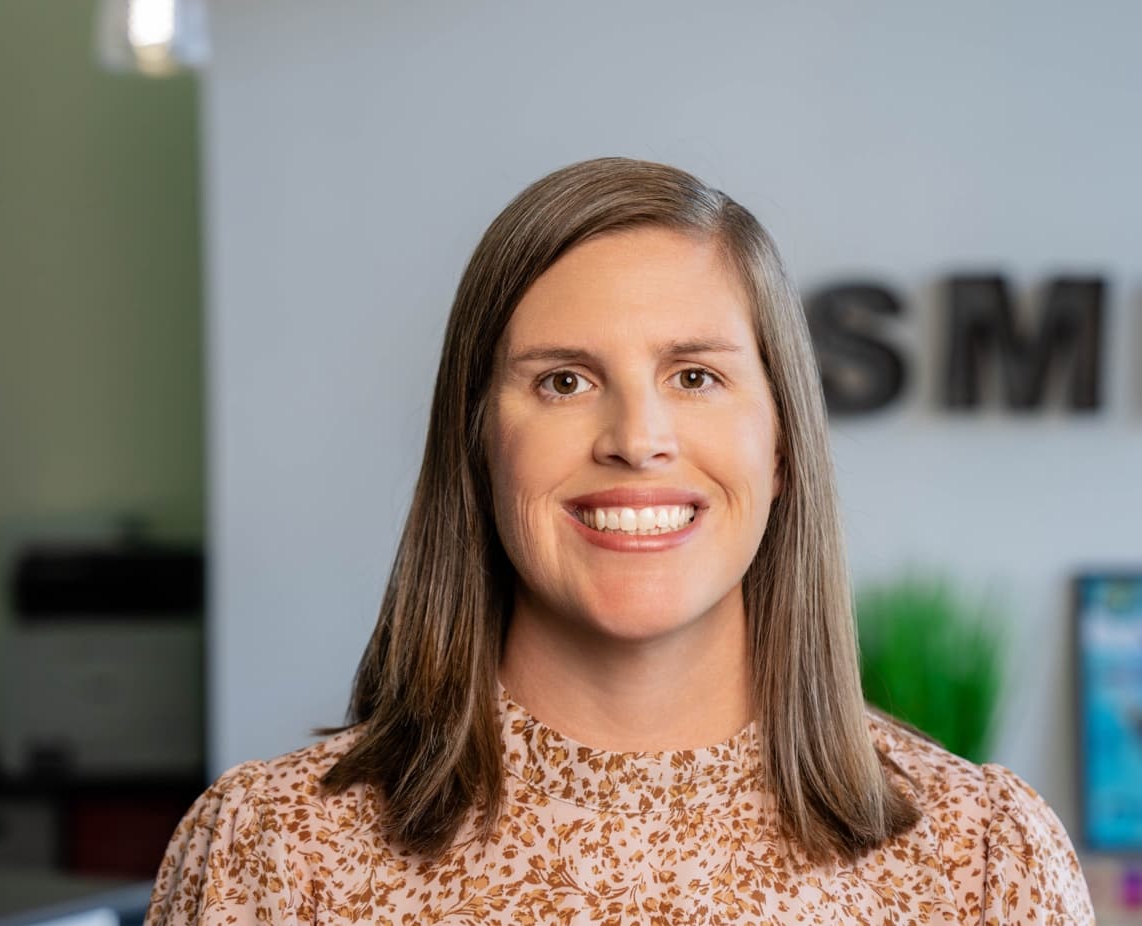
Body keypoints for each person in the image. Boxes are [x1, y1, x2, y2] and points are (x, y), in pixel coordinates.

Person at [145, 158, 1094, 924]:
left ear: (784, 447)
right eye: (563, 380)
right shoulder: (270, 852)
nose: (636, 439)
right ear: (477, 446)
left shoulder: (980, 861)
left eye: (694, 376)